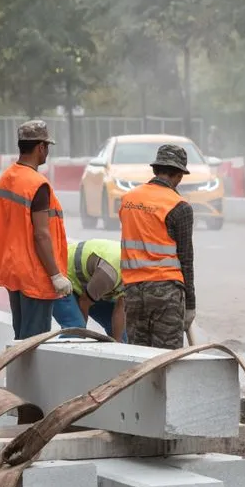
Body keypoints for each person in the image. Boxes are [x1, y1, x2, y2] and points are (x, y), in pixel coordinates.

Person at [0, 120, 72, 340]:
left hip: (14, 270)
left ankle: (18, 365)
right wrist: (56, 275)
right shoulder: (37, 184)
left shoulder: (7, 177)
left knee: (21, 338)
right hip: (35, 275)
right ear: (41, 147)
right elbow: (41, 234)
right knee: (34, 344)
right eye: (47, 147)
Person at [118, 143, 195, 349]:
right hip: (166, 293)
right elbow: (186, 259)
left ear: (155, 170)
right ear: (179, 175)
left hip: (133, 291)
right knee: (166, 357)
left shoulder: (128, 200)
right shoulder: (179, 206)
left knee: (137, 355)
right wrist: (190, 304)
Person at [53, 238, 125, 338]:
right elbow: (84, 302)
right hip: (61, 280)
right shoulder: (110, 272)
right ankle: (73, 345)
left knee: (122, 334)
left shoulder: (137, 277)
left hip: (88, 285)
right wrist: (82, 339)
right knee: (76, 329)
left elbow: (120, 308)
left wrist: (118, 343)